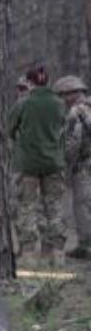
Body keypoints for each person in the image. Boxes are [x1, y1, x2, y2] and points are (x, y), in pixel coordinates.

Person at [8, 64, 66, 260]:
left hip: (27, 164)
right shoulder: (59, 103)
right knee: (55, 207)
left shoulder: (23, 104)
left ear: (29, 82)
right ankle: (56, 252)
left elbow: (10, 130)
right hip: (54, 162)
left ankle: (28, 252)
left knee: (27, 207)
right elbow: (62, 131)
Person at [55, 75, 91, 259]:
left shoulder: (75, 113)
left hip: (84, 166)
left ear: (71, 94)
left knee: (83, 206)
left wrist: (66, 165)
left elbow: (73, 143)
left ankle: (86, 246)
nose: (60, 99)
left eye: (62, 95)